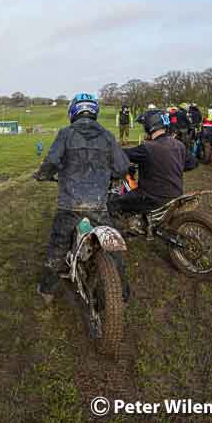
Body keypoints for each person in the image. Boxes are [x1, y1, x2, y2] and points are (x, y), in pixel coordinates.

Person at [33, 93, 129, 303]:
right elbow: (122, 167)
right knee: (112, 249)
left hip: (70, 204)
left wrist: (42, 175)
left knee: (57, 247)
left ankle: (47, 291)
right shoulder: (107, 135)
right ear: (94, 111)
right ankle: (122, 292)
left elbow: (50, 163)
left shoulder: (66, 133)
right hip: (98, 204)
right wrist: (108, 177)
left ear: (73, 111)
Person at [108, 110, 197, 216]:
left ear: (149, 126)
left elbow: (123, 154)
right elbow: (192, 163)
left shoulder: (147, 148)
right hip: (176, 195)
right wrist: (169, 166)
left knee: (112, 203)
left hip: (152, 198)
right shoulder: (179, 145)